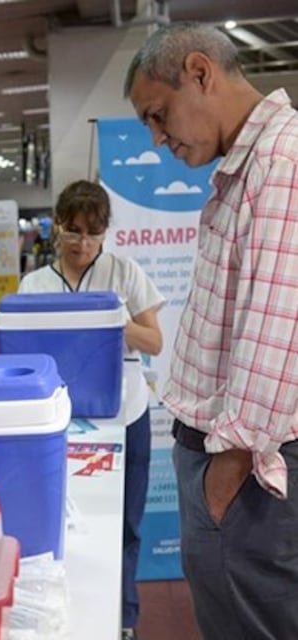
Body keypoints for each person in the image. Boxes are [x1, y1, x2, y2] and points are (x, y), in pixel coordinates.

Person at [125, 22, 298, 640]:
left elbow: (277, 336)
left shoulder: (281, 162)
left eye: (158, 113)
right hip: (227, 464)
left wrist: (222, 486)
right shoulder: (246, 167)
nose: (155, 137)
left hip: (244, 472)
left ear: (200, 73)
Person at [19, 180, 164, 640]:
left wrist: (115, 321)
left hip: (127, 413)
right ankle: (69, 615)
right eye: (74, 231)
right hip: (61, 420)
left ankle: (124, 619)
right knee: (66, 522)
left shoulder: (124, 274)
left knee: (125, 524)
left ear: (105, 234)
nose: (83, 244)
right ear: (57, 227)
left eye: (93, 234)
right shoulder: (35, 283)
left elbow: (155, 341)